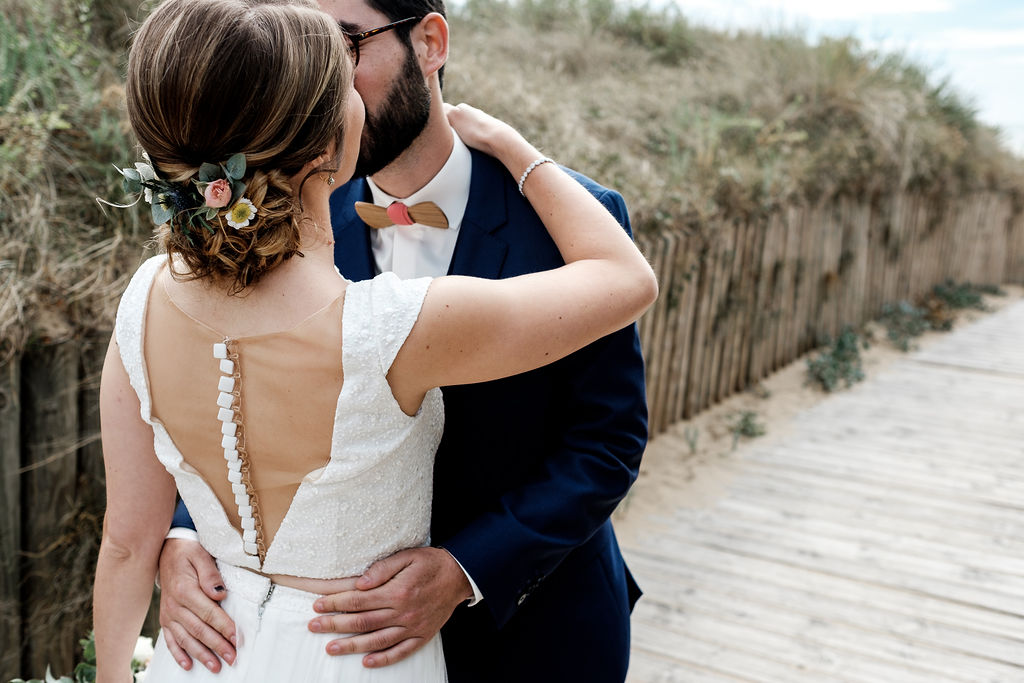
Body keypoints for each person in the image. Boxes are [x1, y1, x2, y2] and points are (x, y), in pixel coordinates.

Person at [93, 0, 656, 682]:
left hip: (535, 630)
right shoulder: (277, 207)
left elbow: (609, 439)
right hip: (332, 649)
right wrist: (186, 533)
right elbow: (232, 384)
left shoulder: (576, 218)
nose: (319, 72)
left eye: (341, 42)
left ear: (430, 43)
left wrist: (466, 567)